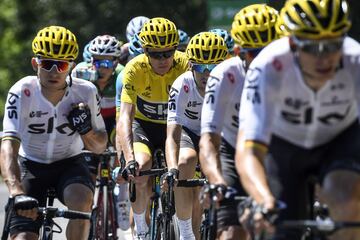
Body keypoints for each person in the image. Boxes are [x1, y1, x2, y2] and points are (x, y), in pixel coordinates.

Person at [235, 0, 360, 239]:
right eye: (313, 48)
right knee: (278, 224)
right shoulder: (267, 67)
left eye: (334, 46)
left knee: (346, 201)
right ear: (292, 43)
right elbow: (248, 150)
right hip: (284, 146)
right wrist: (263, 200)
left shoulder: (355, 60)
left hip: (339, 141)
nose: (325, 57)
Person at [0, 25, 107, 240]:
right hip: (30, 164)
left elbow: (100, 145)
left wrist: (86, 131)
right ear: (35, 63)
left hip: (69, 164)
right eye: (47, 63)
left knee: (82, 201)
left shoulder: (86, 91)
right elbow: (7, 147)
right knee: (23, 238)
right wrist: (16, 192)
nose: (54, 71)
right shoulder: (21, 92)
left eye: (62, 64)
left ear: (71, 66)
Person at [199, 4, 279, 240]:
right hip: (233, 148)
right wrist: (216, 180)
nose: (262, 60)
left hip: (280, 149)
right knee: (234, 232)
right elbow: (209, 140)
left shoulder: (294, 68)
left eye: (269, 51)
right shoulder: (224, 75)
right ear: (238, 51)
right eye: (255, 53)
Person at [116, 17, 188, 239]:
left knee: (184, 166)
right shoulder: (134, 69)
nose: (163, 59)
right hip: (143, 126)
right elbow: (125, 118)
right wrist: (128, 159)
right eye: (156, 54)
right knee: (141, 167)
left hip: (175, 126)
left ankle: (186, 230)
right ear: (145, 51)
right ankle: (141, 229)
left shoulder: (185, 64)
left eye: (168, 52)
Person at [165, 32, 228, 240]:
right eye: (201, 67)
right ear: (190, 65)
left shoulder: (232, 83)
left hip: (219, 132)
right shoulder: (181, 86)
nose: (207, 74)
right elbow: (173, 134)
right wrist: (172, 168)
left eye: (214, 68)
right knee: (185, 162)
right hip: (190, 132)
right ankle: (185, 234)